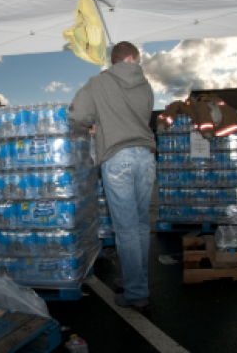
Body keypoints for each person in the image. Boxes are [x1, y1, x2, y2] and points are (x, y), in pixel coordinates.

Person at [68, 41, 156, 311]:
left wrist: (89, 126)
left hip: (118, 158)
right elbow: (136, 117)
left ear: (115, 60)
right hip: (146, 157)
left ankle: (136, 292)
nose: (139, 63)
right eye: (138, 59)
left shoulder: (98, 82)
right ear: (130, 57)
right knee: (141, 225)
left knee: (127, 229)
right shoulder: (146, 85)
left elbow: (78, 115)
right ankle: (134, 279)